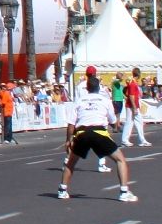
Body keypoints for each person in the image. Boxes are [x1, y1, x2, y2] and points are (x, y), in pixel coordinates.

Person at [57, 68, 138, 201]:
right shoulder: (105, 100)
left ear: (87, 88)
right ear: (98, 87)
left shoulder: (79, 101)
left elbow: (71, 124)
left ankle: (62, 190)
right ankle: (124, 192)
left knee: (70, 163)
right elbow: (113, 122)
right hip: (99, 132)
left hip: (82, 133)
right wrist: (117, 126)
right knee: (120, 160)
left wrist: (68, 140)